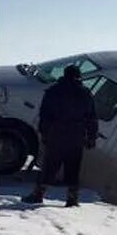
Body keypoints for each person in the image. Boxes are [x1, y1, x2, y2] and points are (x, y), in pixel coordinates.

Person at [22, 65, 98, 207]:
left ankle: (38, 194)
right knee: (73, 167)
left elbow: (44, 115)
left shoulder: (53, 91)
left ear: (64, 74)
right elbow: (91, 117)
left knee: (50, 166)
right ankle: (72, 198)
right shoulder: (85, 93)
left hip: (56, 133)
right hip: (76, 135)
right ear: (78, 76)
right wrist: (91, 137)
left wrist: (44, 134)